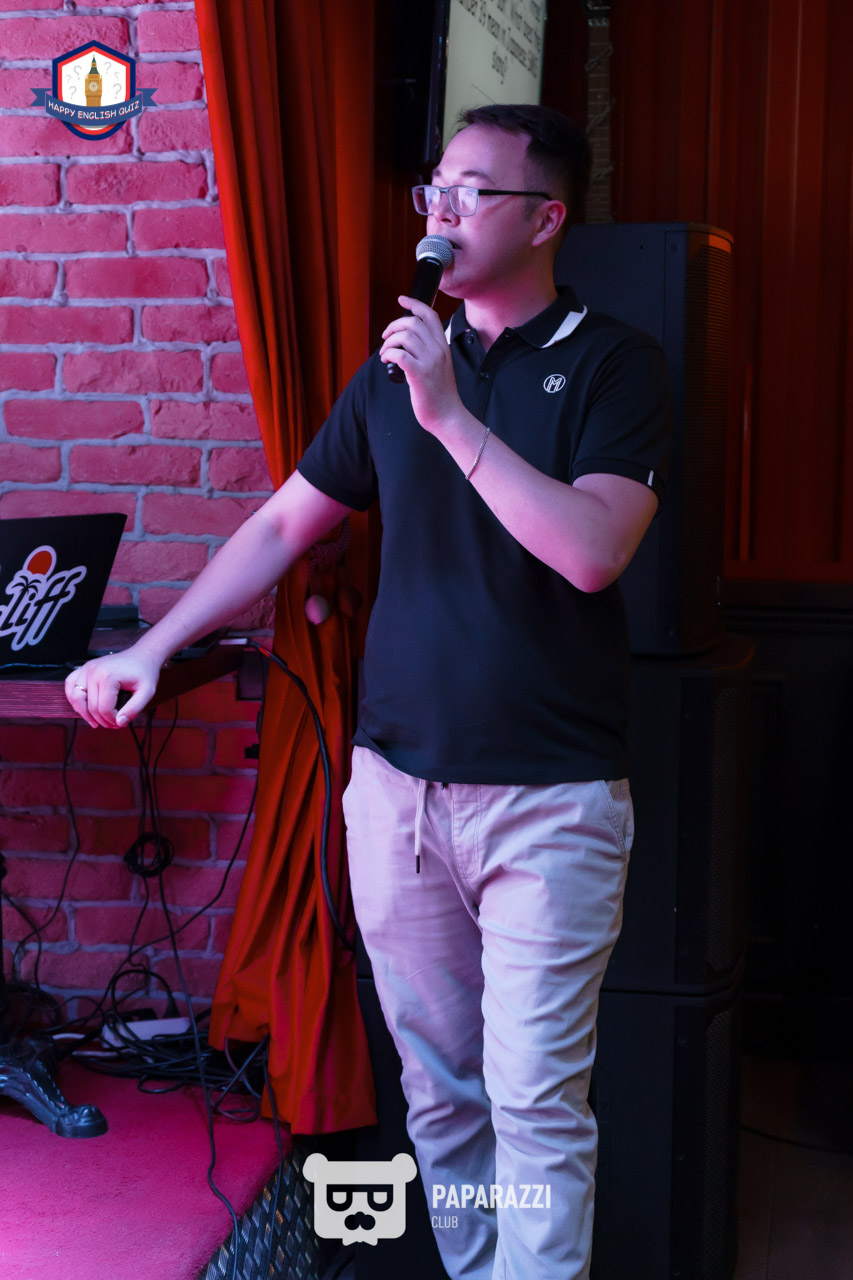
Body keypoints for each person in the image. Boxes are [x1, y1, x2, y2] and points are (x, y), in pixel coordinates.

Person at [67, 105, 671, 1280]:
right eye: (433, 187)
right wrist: (158, 645)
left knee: (533, 1099)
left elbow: (593, 550)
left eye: (472, 190)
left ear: (545, 217)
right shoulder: (395, 368)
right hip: (395, 793)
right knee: (440, 1097)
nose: (440, 209)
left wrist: (449, 416)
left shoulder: (611, 362)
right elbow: (282, 524)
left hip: (549, 802)